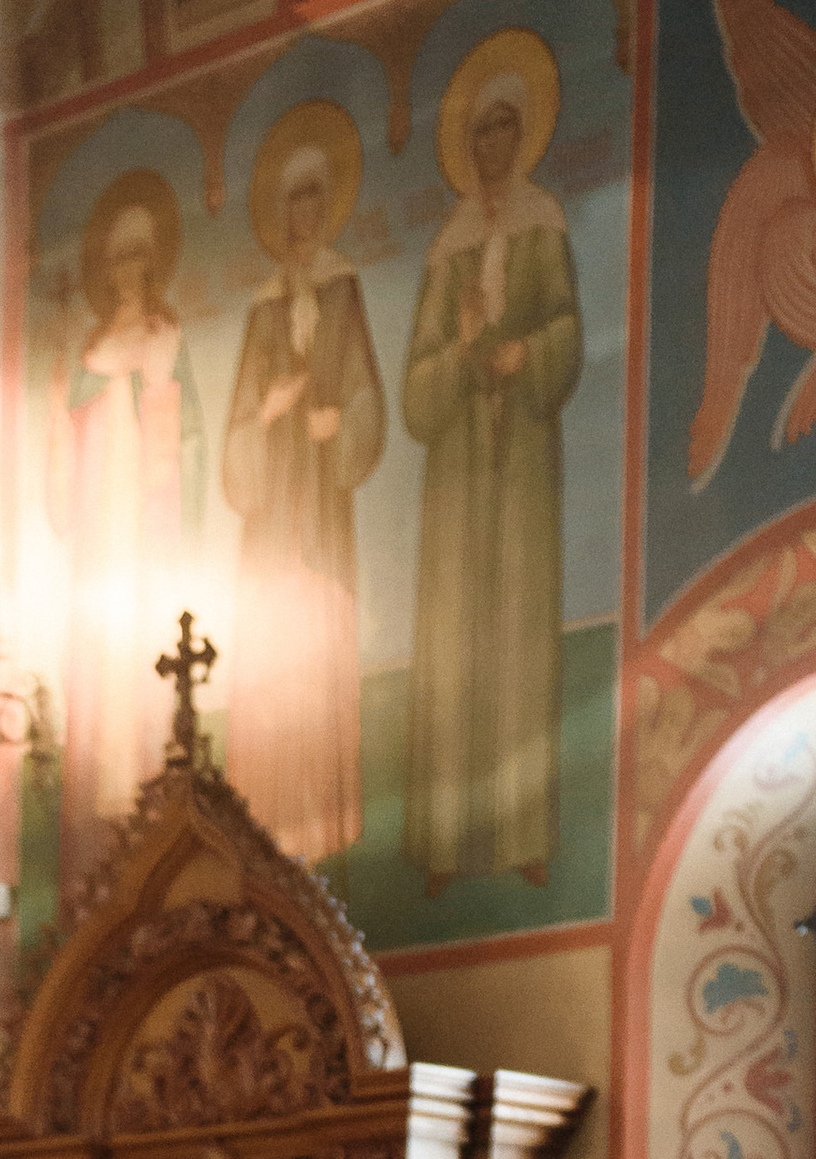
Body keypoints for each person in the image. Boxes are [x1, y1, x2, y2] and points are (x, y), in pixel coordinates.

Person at [403, 61, 580, 896]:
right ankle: (443, 844)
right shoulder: (447, 249)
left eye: (503, 128)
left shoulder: (544, 225)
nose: (490, 145)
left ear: (522, 138)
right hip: (455, 465)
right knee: (450, 639)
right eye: (477, 133)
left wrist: (526, 353)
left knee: (515, 628)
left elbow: (568, 329)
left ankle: (522, 837)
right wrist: (466, 351)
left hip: (519, 465)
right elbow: (416, 381)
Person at [221, 135, 385, 864]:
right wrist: (268, 413)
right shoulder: (263, 308)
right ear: (279, 214)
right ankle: (262, 814)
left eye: (315, 196)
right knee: (265, 645)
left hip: (321, 505)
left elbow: (365, 390)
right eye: (292, 200)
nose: (304, 212)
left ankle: (322, 813)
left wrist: (340, 420)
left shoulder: (344, 288)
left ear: (328, 207)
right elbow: (237, 421)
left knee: (321, 634)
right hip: (270, 514)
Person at [49, 186, 203, 894]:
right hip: (96, 545)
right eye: (116, 258)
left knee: (145, 680)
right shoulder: (80, 354)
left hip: (146, 535)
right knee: (94, 677)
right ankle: (96, 840)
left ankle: (155, 826)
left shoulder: (168, 341)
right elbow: (57, 457)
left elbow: (184, 451)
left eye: (141, 256)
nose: (128, 271)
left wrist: (160, 382)